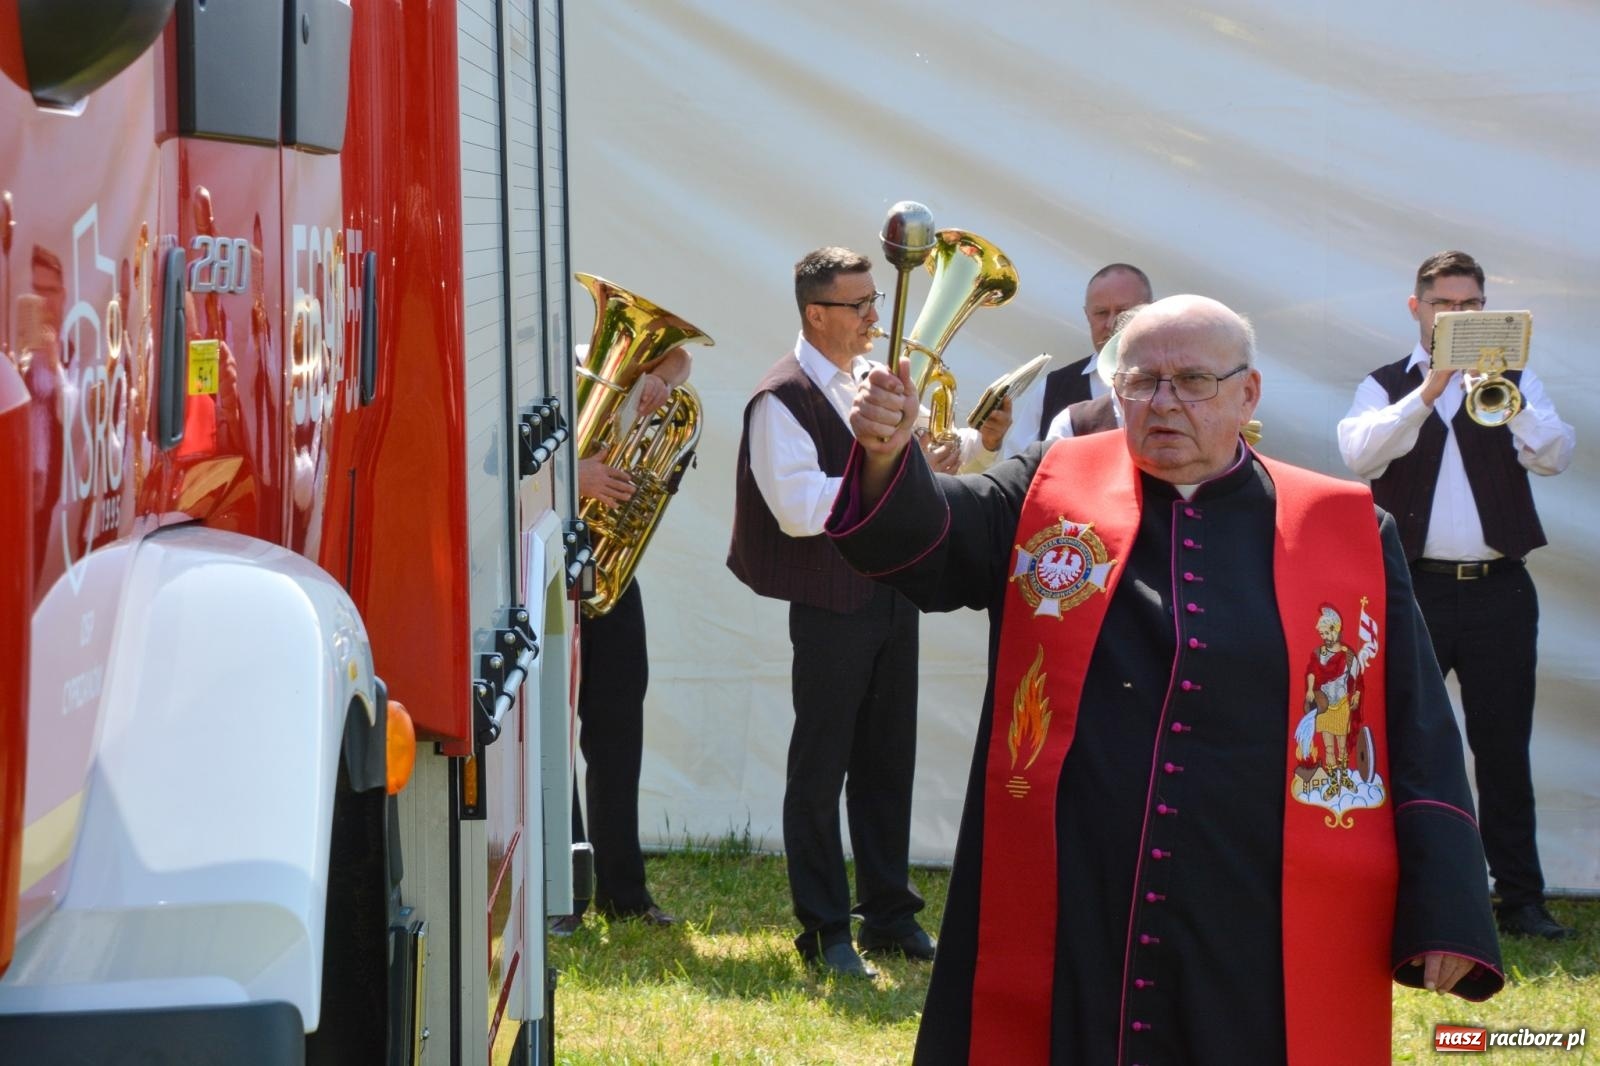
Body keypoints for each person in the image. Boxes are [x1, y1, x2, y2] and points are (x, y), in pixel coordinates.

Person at [827, 295, 1503, 1063]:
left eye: (1191, 381)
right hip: (1076, 884)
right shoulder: (1048, 490)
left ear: (1247, 394)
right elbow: (932, 540)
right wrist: (887, 454)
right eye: (1141, 382)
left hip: (1259, 897)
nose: (1163, 403)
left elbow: (1411, 720)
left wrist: (1448, 903)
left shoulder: (1343, 528)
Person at [726, 246, 955, 979]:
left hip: (893, 592)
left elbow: (891, 471)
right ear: (816, 313)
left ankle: (889, 915)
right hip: (829, 604)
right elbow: (795, 510)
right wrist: (888, 482)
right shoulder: (780, 396)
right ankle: (824, 929)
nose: (874, 317)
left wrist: (943, 454)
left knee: (889, 761)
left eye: (873, 302)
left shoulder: (865, 379)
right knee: (820, 771)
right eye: (859, 305)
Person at [1338, 250, 1576, 941]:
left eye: (1473, 306)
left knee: (1504, 748)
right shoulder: (1385, 385)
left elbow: (1555, 454)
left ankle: (1521, 899)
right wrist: (1427, 390)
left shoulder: (1515, 380)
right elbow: (1358, 456)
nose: (1461, 317)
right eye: (1447, 305)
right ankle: (1394, 890)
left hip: (1500, 593)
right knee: (1401, 744)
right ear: (1417, 309)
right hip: (1413, 592)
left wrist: (1509, 397)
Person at [553, 345, 693, 934]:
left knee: (617, 734)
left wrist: (657, 378)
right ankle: (565, 893)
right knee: (548, 741)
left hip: (606, 571)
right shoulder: (500, 362)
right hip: (538, 569)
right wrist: (571, 476)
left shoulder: (584, 358)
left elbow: (681, 358)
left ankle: (624, 891)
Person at [997, 262, 1151, 457]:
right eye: (1101, 313)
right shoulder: (1054, 388)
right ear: (1087, 316)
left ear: (1150, 311)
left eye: (1123, 311)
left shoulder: (1175, 383)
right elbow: (1018, 468)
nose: (1112, 323)